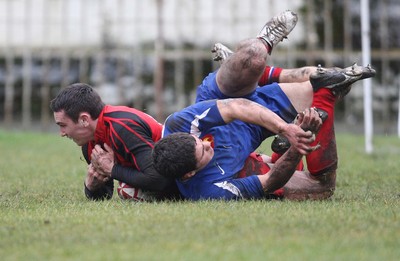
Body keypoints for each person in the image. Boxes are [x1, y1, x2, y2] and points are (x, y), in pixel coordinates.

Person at [152, 70, 370, 200]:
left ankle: (260, 73)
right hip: (243, 159)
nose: (207, 145)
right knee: (323, 187)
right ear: (189, 174)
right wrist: (299, 142)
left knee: (250, 58)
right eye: (202, 151)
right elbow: (269, 181)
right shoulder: (209, 191)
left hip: (241, 113)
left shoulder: (178, 124)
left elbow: (235, 107)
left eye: (200, 141)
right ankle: (325, 97)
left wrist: (285, 129)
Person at [50, 83, 182, 201]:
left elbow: (159, 179)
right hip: (162, 179)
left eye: (63, 125)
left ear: (84, 120)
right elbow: (104, 195)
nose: (62, 133)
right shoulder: (90, 141)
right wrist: (91, 187)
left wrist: (112, 170)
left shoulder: (123, 127)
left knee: (127, 190)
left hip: (184, 177)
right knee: (126, 189)